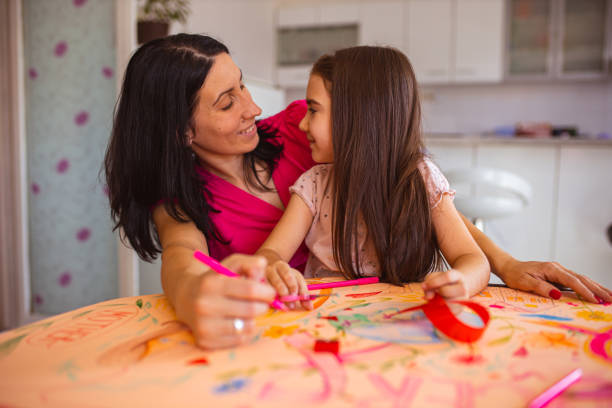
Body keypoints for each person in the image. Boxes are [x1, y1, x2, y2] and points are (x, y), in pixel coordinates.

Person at [104, 34, 611, 350]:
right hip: (306, 331)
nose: (253, 107)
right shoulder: (183, 201)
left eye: (243, 85)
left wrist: (500, 264)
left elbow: (388, 147)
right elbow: (181, 258)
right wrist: (195, 295)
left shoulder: (298, 128)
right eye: (226, 101)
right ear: (181, 132)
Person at [257, 47, 490, 306]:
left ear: (356, 115)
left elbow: (474, 260)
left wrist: (462, 281)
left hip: (398, 323)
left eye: (313, 110)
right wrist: (275, 267)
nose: (302, 125)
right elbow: (271, 252)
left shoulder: (421, 179)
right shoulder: (313, 184)